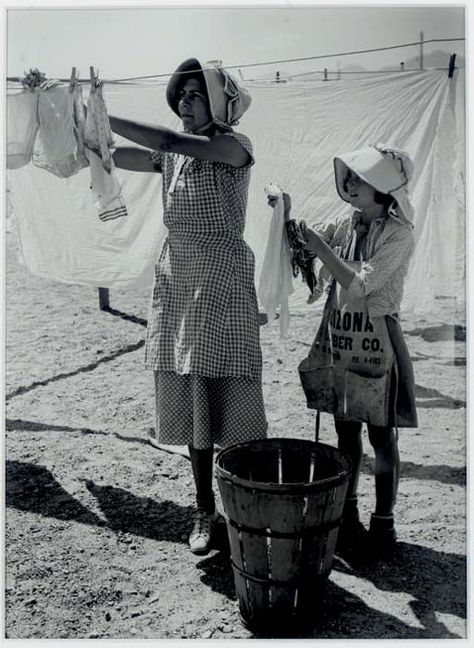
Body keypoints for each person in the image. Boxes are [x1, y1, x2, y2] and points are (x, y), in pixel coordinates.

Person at [100, 58, 268, 554]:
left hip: (221, 275)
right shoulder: (174, 156)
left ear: (218, 104)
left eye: (195, 95)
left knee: (231, 390)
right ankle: (203, 509)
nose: (184, 104)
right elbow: (125, 157)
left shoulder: (233, 146)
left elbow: (169, 142)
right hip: (179, 274)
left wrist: (104, 114)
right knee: (194, 389)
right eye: (182, 95)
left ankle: (245, 507)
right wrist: (85, 127)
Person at [269, 144, 418, 559]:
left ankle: (383, 523)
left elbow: (359, 284)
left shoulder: (399, 235)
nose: (349, 183)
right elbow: (305, 239)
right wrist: (287, 211)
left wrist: (321, 249)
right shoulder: (346, 223)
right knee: (345, 429)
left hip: (378, 339)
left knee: (381, 433)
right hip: (341, 334)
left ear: (384, 189)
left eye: (360, 177)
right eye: (348, 175)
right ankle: (346, 512)